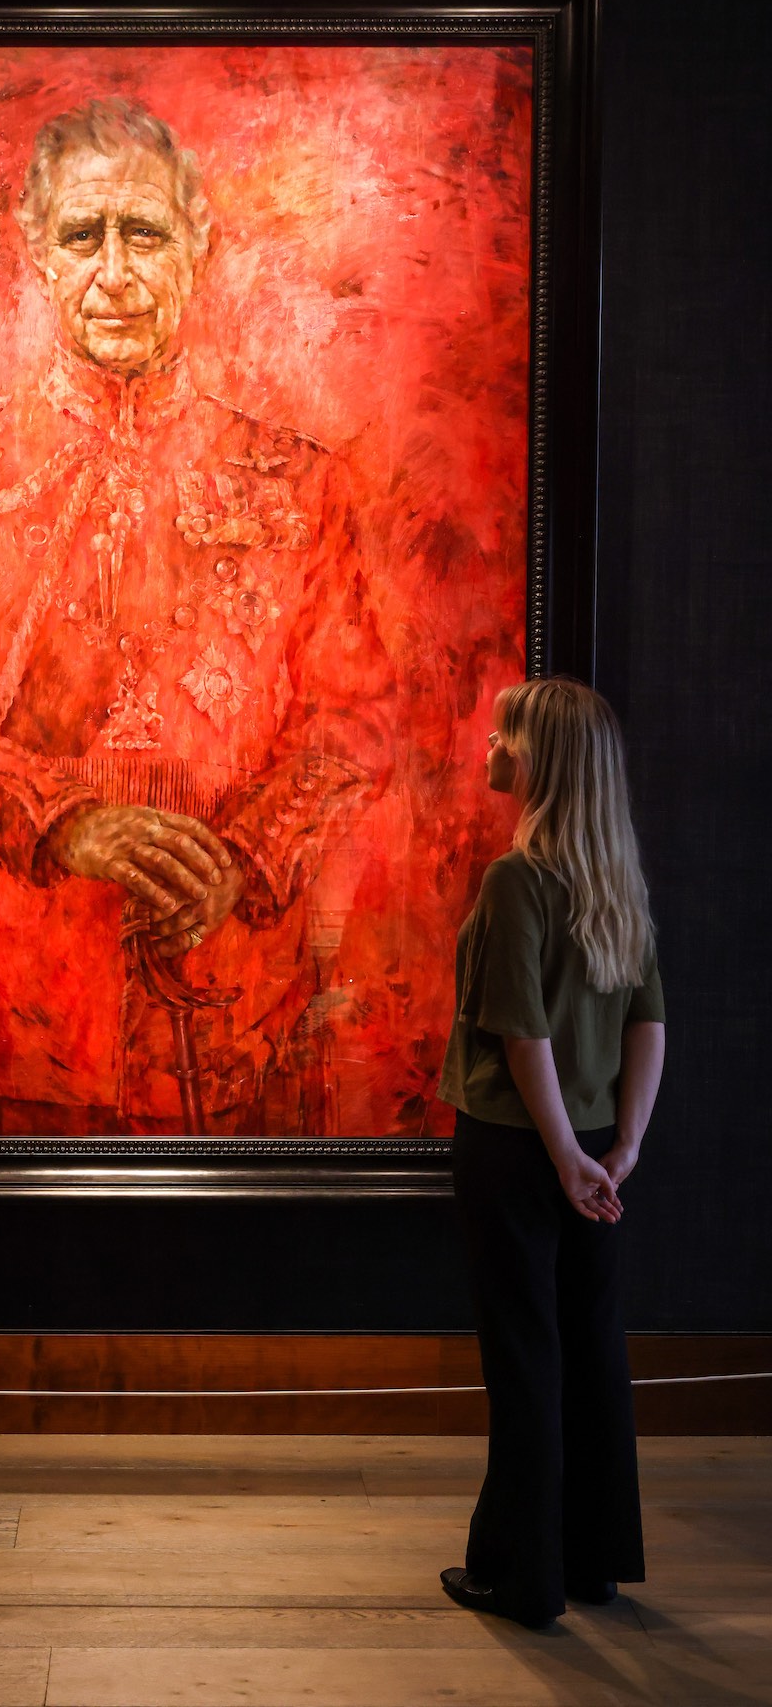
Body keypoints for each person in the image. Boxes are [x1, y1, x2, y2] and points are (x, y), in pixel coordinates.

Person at [0, 98, 394, 1137]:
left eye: (143, 232)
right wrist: (66, 821)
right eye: (81, 235)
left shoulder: (303, 482)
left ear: (197, 244)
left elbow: (356, 720)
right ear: (36, 253)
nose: (114, 273)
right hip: (26, 1008)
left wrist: (239, 862)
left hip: (240, 1011)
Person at [436, 676, 666, 1630]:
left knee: (525, 1359)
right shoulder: (616, 877)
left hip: (516, 1151)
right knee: (590, 1350)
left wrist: (567, 1156)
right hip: (593, 1164)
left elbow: (522, 1036)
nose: (490, 747)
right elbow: (651, 1023)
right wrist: (621, 1149)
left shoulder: (516, 878)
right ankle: (592, 1564)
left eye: (505, 736)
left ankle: (519, 1577)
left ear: (540, 763)